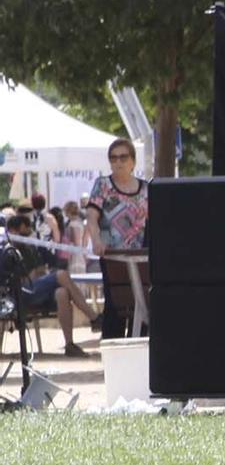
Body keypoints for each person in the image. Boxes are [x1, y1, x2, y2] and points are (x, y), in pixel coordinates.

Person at [85, 138, 149, 340]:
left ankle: (139, 349)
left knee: (142, 304)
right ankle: (113, 353)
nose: (118, 162)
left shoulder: (146, 189)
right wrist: (96, 241)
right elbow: (92, 217)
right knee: (115, 304)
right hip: (112, 256)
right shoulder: (103, 185)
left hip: (140, 257)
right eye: (113, 158)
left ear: (133, 161)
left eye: (123, 157)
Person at [4, 214, 96, 355]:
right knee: (62, 275)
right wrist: (33, 275)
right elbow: (15, 279)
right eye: (23, 233)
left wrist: (35, 274)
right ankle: (93, 317)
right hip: (20, 293)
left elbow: (40, 270)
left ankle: (69, 344)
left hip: (37, 288)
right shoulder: (6, 252)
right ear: (13, 231)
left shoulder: (30, 249)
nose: (26, 235)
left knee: (62, 293)